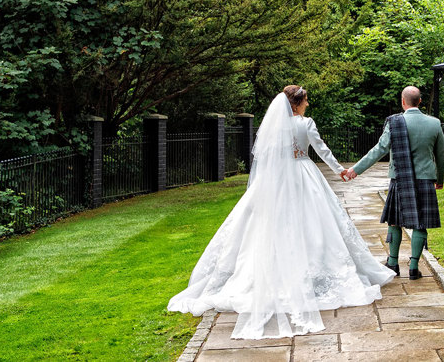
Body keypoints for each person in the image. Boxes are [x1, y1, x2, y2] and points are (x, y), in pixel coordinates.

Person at [168, 86, 395, 339]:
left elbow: (265, 156)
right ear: (297, 103)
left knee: (273, 224)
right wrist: (340, 170)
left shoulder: (275, 126)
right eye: (306, 100)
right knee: (313, 223)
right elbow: (321, 150)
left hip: (276, 180)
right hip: (302, 175)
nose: (308, 104)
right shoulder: (306, 123)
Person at [345, 86, 444, 280]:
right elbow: (442, 155)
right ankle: (414, 268)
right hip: (425, 179)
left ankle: (392, 263)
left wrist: (355, 170)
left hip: (400, 178)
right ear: (420, 101)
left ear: (403, 101)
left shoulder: (394, 123)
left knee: (395, 221)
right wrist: (439, 179)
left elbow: (379, 150)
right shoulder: (434, 124)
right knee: (420, 223)